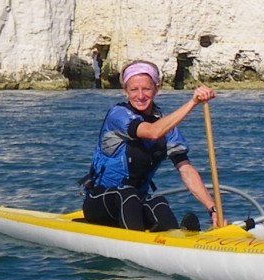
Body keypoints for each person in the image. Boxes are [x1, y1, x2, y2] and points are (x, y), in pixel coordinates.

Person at [80, 60, 221, 231]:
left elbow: (186, 169)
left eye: (146, 89)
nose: (140, 96)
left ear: (157, 88)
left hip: (135, 202)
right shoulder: (118, 116)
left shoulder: (166, 126)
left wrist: (212, 209)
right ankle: (136, 245)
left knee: (158, 204)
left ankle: (179, 239)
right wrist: (193, 102)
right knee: (127, 195)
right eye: (133, 90)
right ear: (126, 91)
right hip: (100, 202)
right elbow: (153, 132)